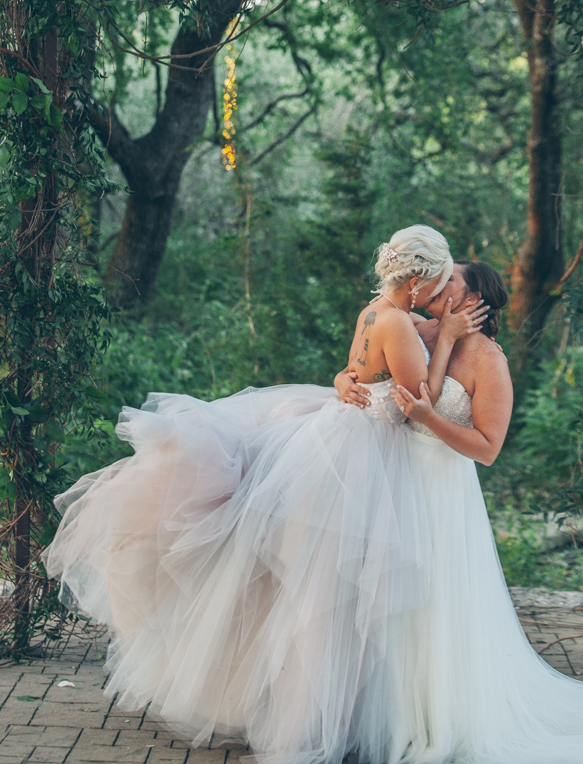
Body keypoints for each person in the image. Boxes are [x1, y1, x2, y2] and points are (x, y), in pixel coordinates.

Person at [44, 225, 486, 764]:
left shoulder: (376, 310)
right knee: (329, 593)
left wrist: (357, 371)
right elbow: (422, 398)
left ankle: (322, 709)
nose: (442, 296)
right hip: (362, 451)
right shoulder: (397, 323)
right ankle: (310, 722)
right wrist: (449, 345)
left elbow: (361, 367)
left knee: (312, 588)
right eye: (438, 286)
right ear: (415, 282)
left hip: (338, 429)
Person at [337, 259, 583, 764]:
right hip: (395, 486)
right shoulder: (419, 331)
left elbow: (488, 448)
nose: (437, 279)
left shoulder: (488, 359)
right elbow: (371, 367)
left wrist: (430, 417)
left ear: (472, 300)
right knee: (396, 605)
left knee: (437, 603)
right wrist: (345, 379)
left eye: (451, 277)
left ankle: (442, 718)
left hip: (442, 490)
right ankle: (393, 716)